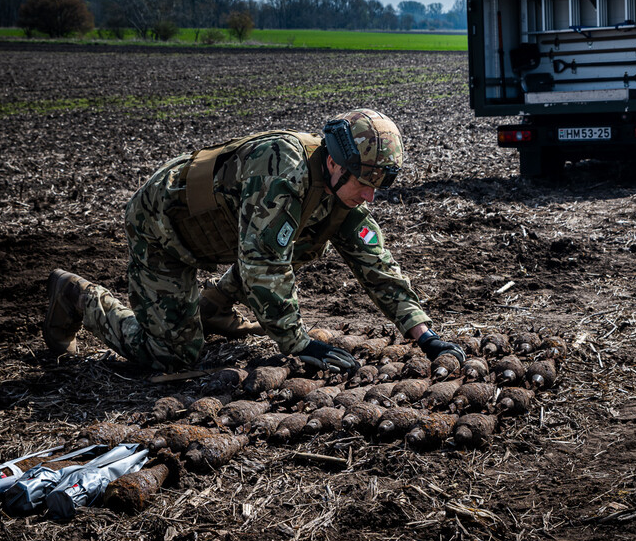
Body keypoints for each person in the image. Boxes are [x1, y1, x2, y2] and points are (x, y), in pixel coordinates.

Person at [43, 109, 465, 374]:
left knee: (306, 240)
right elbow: (264, 263)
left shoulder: (343, 192)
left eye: (379, 186)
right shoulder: (282, 170)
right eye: (364, 183)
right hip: (164, 232)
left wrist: (422, 334)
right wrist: (298, 343)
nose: (370, 196)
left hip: (226, 239)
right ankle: (76, 297)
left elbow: (376, 263)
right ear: (335, 162)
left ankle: (211, 307)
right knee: (172, 358)